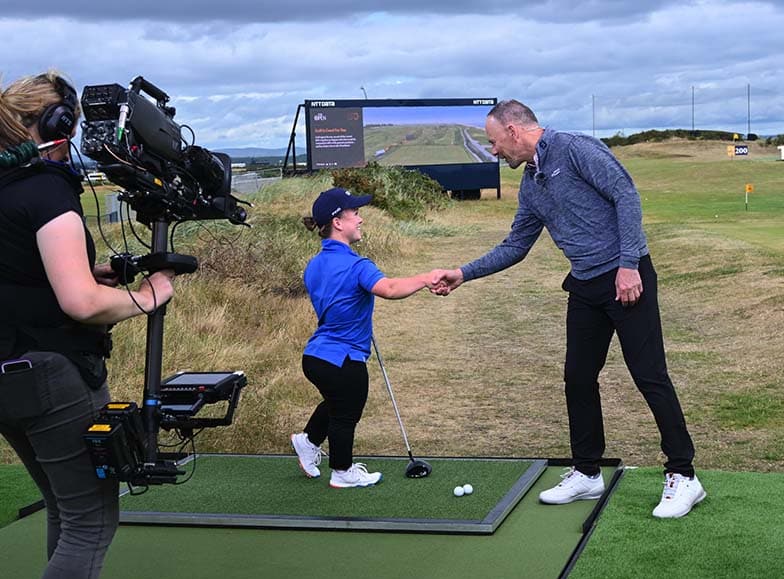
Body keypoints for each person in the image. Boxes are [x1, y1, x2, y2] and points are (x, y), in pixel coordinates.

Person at [431, 100, 705, 518]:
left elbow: (625, 196)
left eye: (494, 142)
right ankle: (587, 472)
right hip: (585, 285)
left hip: (626, 279)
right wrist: (463, 273)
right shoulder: (531, 184)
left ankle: (684, 476)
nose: (494, 151)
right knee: (577, 378)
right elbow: (516, 246)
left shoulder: (576, 149)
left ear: (514, 131)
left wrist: (629, 265)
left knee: (649, 375)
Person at [0, 71, 176, 578]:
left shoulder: (7, 187)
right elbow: (80, 304)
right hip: (49, 374)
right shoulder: (47, 192)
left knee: (64, 506)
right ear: (60, 123)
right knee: (90, 522)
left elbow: (18, 272)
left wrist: (89, 270)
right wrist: (147, 297)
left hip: (8, 371)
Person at [293, 187, 442, 489]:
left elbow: (338, 302)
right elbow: (388, 289)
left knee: (336, 402)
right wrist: (426, 279)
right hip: (343, 357)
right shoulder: (358, 265)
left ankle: (307, 441)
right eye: (355, 213)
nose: (360, 219)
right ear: (337, 222)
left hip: (316, 356)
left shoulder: (314, 265)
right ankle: (342, 471)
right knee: (346, 412)